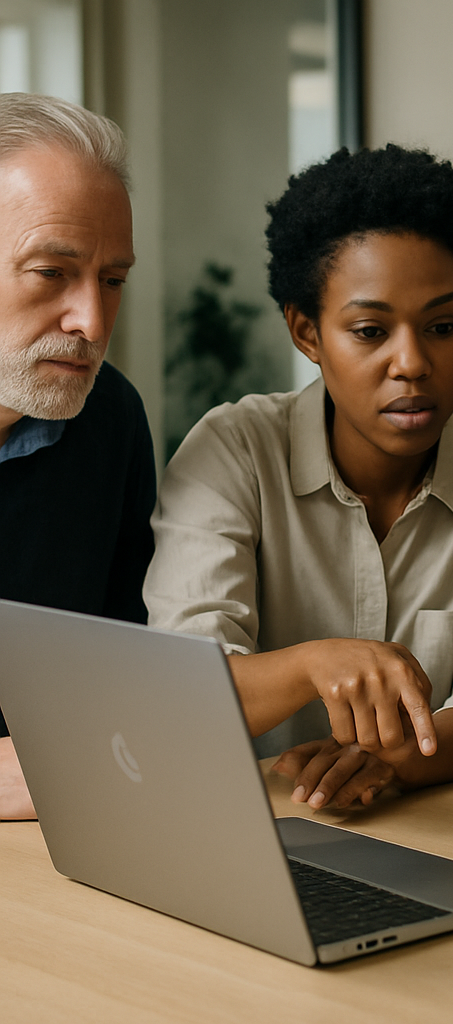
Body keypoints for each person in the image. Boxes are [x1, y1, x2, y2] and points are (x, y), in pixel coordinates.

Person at [144, 145, 453, 811]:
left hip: (444, 831)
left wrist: (395, 760)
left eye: (443, 326)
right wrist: (319, 664)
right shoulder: (231, 452)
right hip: (238, 822)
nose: (413, 363)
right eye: (371, 331)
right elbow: (178, 691)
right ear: (307, 333)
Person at [0, 93, 156, 820]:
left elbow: (123, 674)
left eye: (114, 279)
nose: (93, 322)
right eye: (51, 273)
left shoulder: (111, 417)